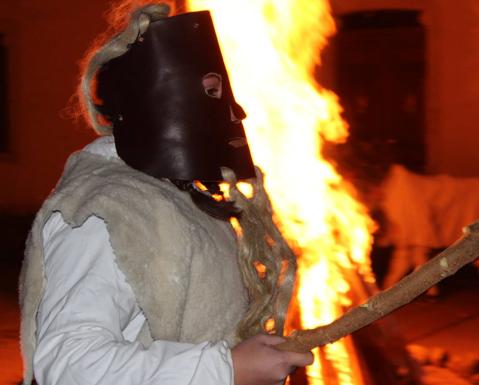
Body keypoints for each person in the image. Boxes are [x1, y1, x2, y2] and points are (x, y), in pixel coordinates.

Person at [19, 3, 312, 385]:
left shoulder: (179, 198)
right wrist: (226, 369)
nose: (235, 111)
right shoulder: (108, 212)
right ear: (153, 100)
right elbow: (71, 362)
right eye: (211, 90)